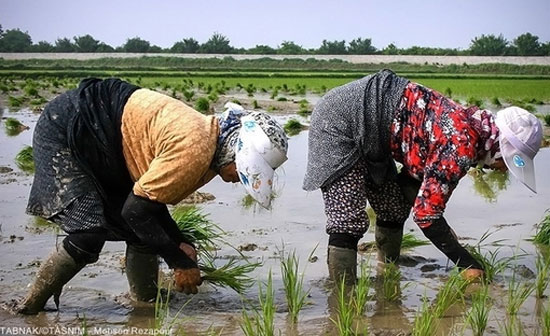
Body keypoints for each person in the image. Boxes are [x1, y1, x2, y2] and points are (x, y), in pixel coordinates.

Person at [17, 78, 288, 314]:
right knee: (89, 232)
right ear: (234, 153)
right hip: (69, 127)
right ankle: (29, 306)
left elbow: (150, 202)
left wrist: (179, 241)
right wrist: (179, 262)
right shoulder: (194, 150)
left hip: (105, 139)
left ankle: (145, 303)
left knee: (144, 232)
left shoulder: (208, 145)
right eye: (240, 172)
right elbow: (135, 211)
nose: (235, 179)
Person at [303, 69, 543, 283]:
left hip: (373, 126)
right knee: (347, 220)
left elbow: (417, 185)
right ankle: (342, 301)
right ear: (499, 146)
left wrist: (443, 231)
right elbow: (427, 215)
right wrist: (468, 264)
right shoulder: (461, 143)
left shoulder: (468, 127)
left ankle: (387, 274)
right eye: (506, 162)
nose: (502, 169)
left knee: (393, 208)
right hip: (339, 121)